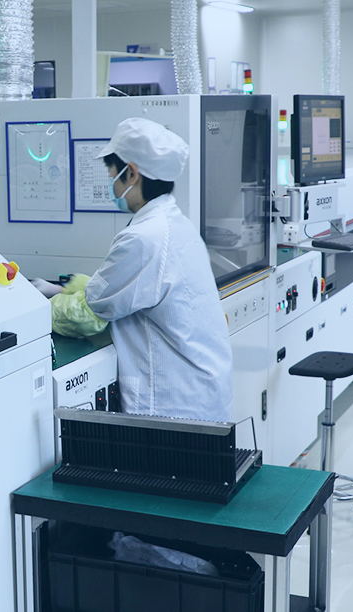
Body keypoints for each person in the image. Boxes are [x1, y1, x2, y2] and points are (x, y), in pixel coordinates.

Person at [32, 118, 233, 422]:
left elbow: (89, 314)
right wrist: (64, 289)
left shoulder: (144, 238)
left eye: (112, 174)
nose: (111, 184)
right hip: (200, 390)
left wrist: (31, 310)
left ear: (132, 173)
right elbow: (124, 290)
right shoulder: (175, 224)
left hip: (173, 403)